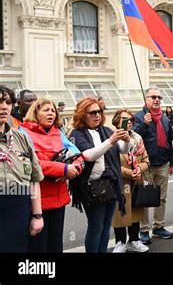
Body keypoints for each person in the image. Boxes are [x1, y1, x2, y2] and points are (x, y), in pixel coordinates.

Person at [20, 98, 83, 253]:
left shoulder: (57, 133)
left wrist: (75, 170)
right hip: (36, 203)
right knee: (37, 248)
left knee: (55, 246)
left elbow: (77, 156)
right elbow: (30, 165)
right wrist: (62, 169)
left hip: (59, 200)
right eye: (46, 110)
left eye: (53, 111)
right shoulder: (23, 133)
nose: (51, 113)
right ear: (35, 112)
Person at [69, 98, 130, 253]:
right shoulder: (77, 133)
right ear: (83, 114)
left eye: (99, 112)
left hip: (110, 183)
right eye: (93, 112)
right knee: (96, 227)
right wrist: (111, 140)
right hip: (91, 186)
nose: (97, 115)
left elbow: (123, 150)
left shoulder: (105, 130)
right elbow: (88, 155)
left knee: (105, 226)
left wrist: (127, 140)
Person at [0, 85, 44, 252]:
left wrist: (37, 215)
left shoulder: (21, 138)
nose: (4, 106)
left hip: (19, 209)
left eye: (8, 102)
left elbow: (34, 178)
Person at [134, 87, 173, 244]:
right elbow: (133, 137)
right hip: (145, 165)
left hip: (163, 163)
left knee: (161, 198)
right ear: (146, 99)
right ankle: (144, 230)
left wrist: (171, 161)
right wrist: (144, 124)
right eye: (153, 97)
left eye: (159, 97)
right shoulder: (139, 117)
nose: (157, 100)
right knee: (144, 198)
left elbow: (169, 142)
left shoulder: (164, 118)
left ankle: (158, 227)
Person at [111, 110, 150, 253]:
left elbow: (146, 160)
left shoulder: (138, 138)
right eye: (124, 119)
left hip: (137, 180)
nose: (129, 122)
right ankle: (120, 242)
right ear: (116, 121)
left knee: (136, 210)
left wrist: (140, 168)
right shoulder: (112, 138)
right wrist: (128, 172)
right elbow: (111, 163)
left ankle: (134, 240)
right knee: (120, 211)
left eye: (130, 120)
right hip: (119, 181)